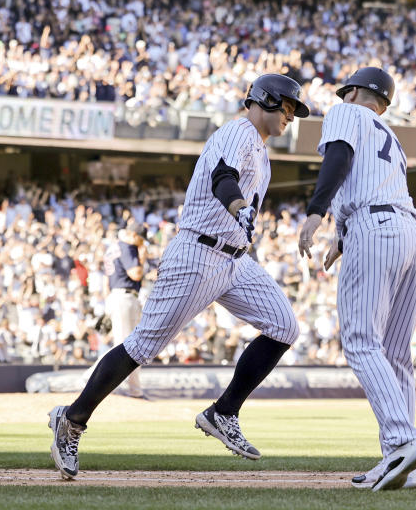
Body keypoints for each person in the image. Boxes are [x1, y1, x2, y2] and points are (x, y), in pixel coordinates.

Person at [48, 73, 310, 479]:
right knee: (143, 345)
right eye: (288, 106)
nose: (292, 115)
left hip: (234, 260)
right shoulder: (239, 133)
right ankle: (71, 419)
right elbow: (222, 177)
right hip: (198, 252)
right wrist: (239, 206)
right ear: (266, 100)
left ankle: (223, 413)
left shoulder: (261, 150)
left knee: (284, 326)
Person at [298, 67, 416, 492]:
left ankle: (402, 442)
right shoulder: (389, 135)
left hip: (375, 230)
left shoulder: (345, 112)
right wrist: (342, 234)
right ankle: (405, 466)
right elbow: (367, 181)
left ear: (353, 92)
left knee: (360, 341)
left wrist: (317, 213)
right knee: (395, 354)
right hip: (411, 234)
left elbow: (338, 159)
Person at [102, 221, 147, 397]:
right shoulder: (127, 246)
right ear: (135, 235)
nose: (143, 243)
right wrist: (142, 259)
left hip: (117, 295)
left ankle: (135, 390)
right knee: (124, 347)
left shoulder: (114, 246)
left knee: (127, 346)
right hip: (124, 297)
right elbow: (135, 273)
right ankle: (90, 379)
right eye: (141, 239)